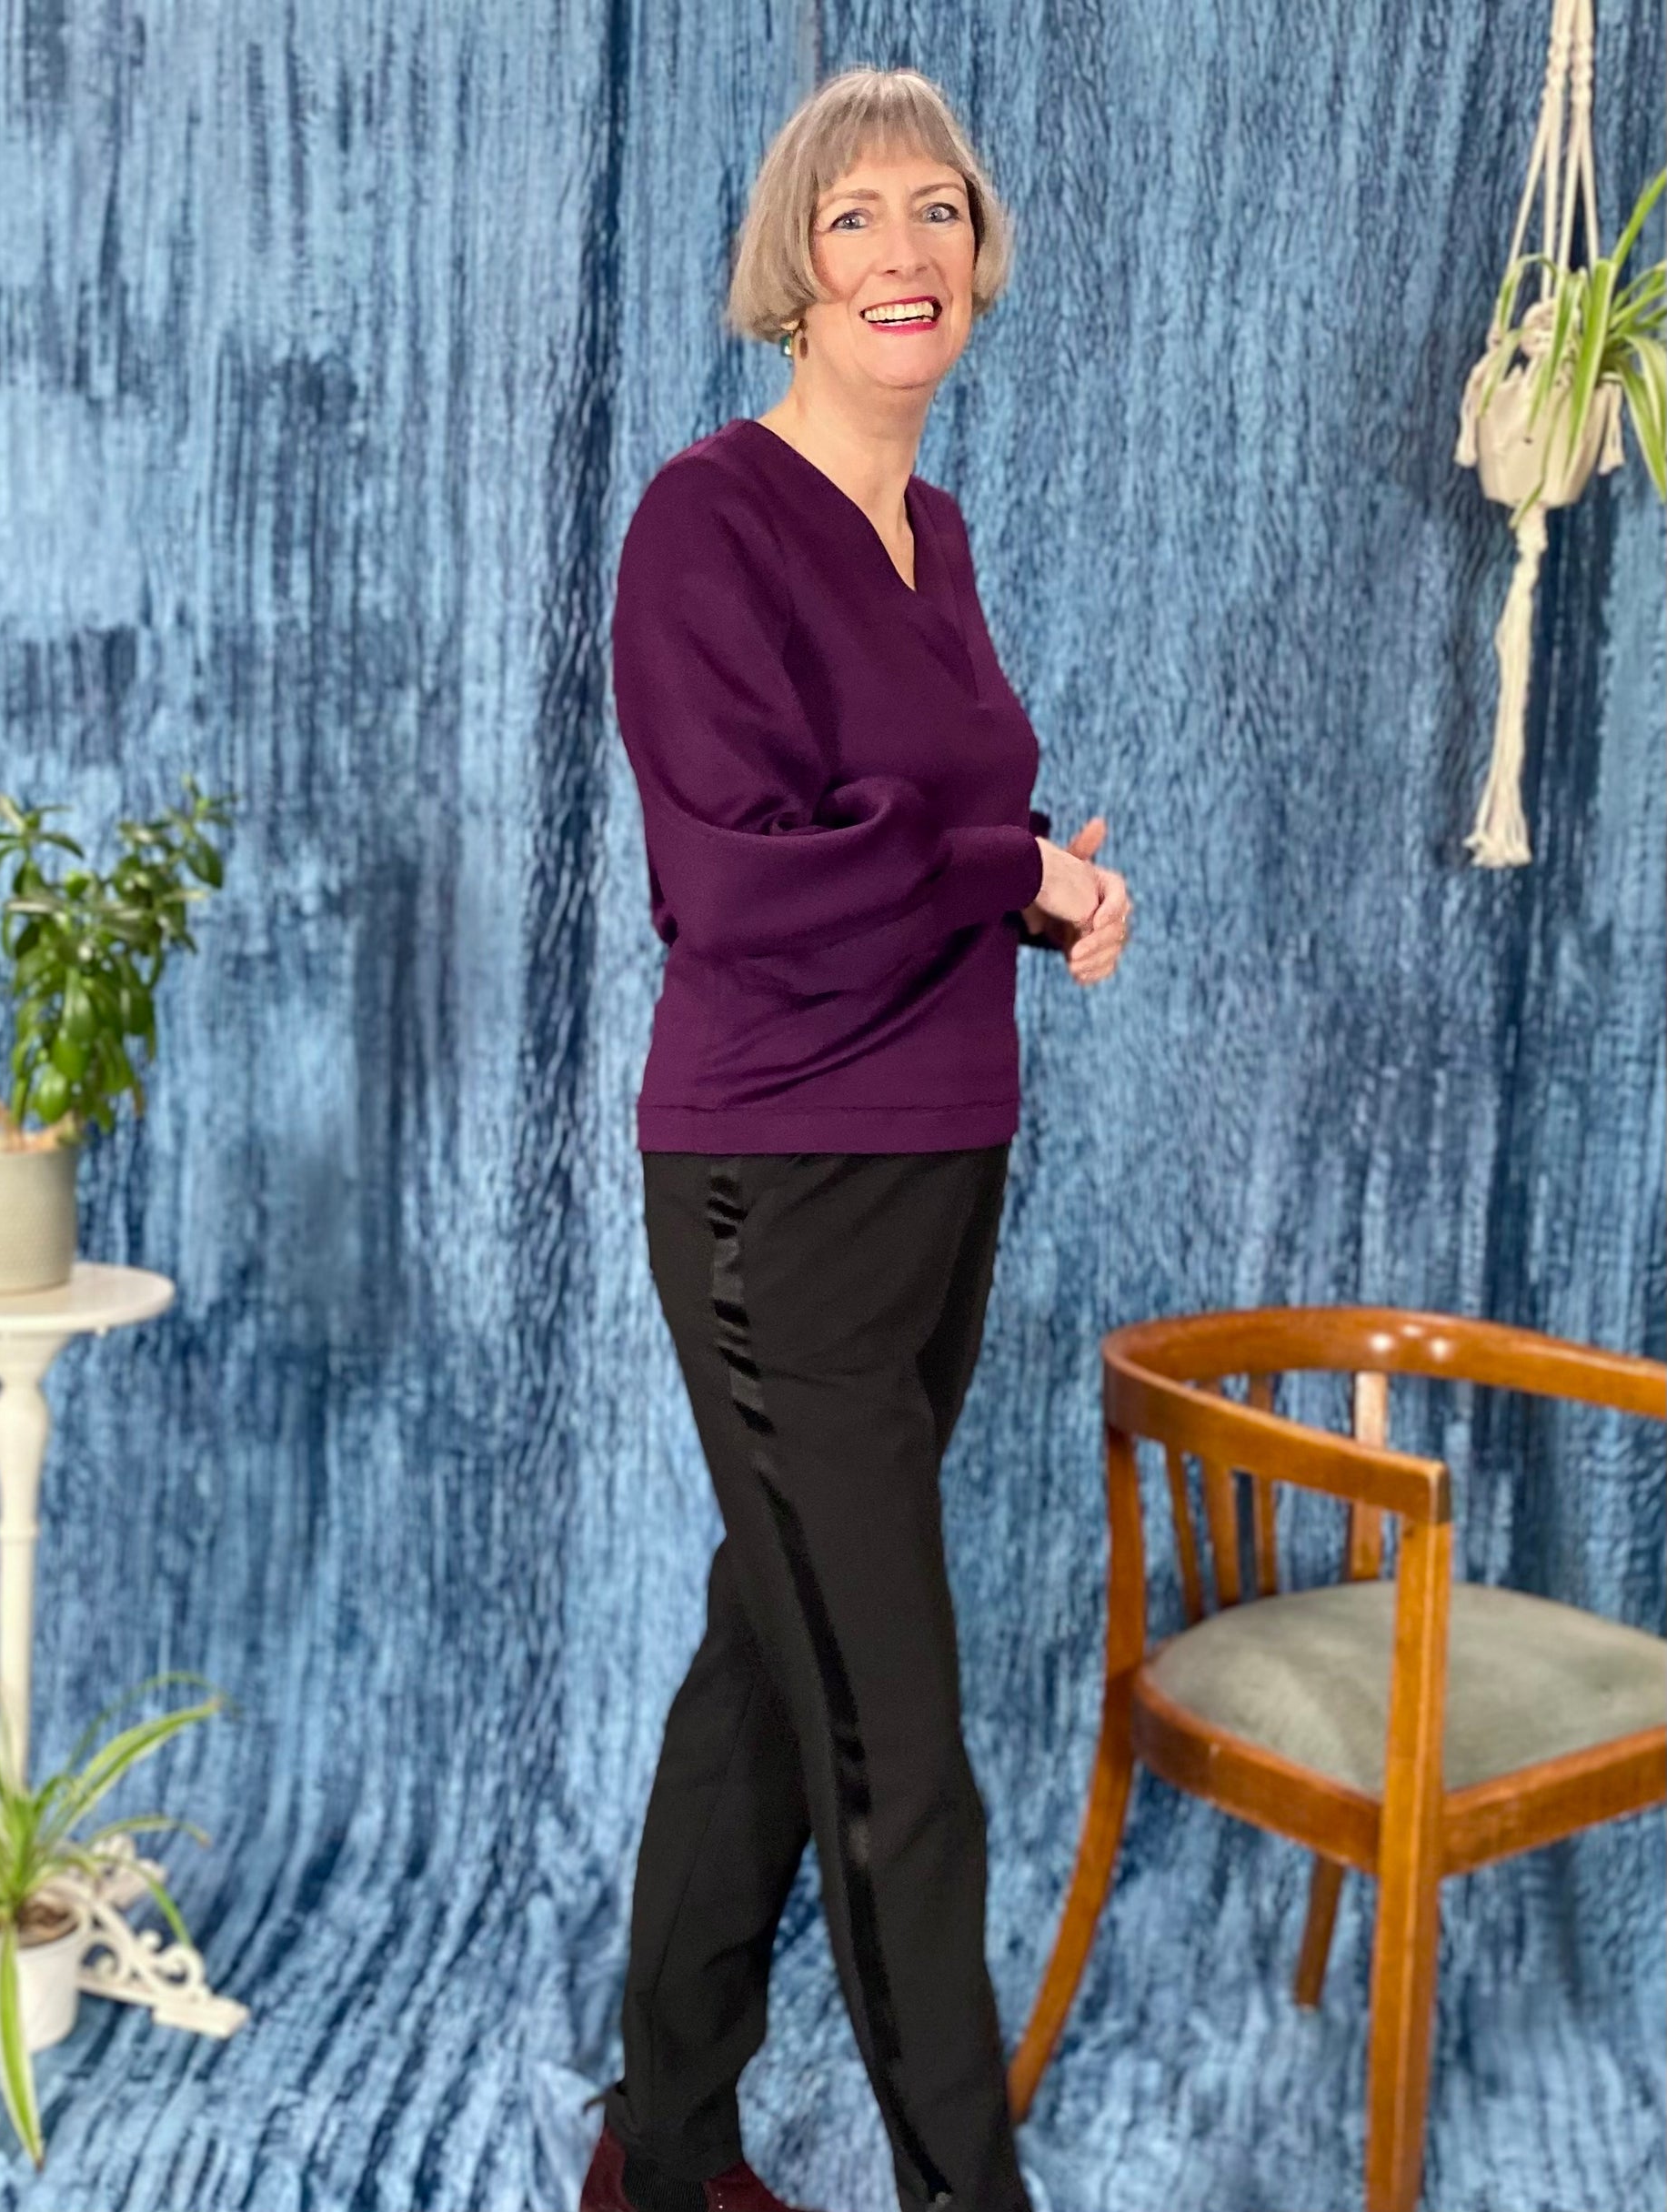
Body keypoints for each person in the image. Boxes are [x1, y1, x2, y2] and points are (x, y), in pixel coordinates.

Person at [581, 65, 1131, 2212]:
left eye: (937, 212)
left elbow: (925, 833)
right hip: (777, 1194)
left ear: (976, 261)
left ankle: (661, 2149)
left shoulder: (938, 534)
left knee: (768, 1667)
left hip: (943, 1169)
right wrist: (1001, 863)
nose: (904, 251)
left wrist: (1043, 889)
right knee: (900, 1753)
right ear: (791, 278)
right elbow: (744, 884)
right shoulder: (705, 522)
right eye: (853, 218)